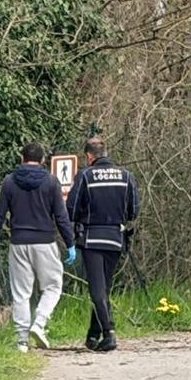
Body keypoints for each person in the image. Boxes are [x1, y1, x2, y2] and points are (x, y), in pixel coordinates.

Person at [0, 143, 75, 352]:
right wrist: (70, 243)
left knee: (21, 293)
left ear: (21, 158)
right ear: (43, 160)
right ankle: (39, 323)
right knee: (52, 286)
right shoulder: (51, 181)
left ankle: (22, 341)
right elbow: (61, 216)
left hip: (18, 243)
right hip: (45, 242)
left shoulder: (9, 182)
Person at [68, 136, 138, 352]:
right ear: (105, 153)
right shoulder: (126, 176)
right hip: (115, 239)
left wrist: (82, 218)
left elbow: (71, 208)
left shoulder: (85, 175)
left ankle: (109, 333)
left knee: (97, 290)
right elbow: (133, 210)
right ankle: (93, 333)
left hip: (91, 238)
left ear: (89, 156)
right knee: (104, 287)